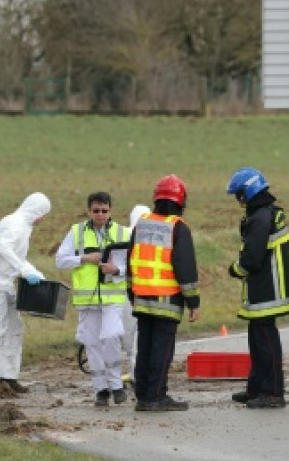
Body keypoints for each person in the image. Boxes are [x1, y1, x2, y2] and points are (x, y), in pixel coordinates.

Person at [224, 167, 289, 409]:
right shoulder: (266, 213)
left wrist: (235, 269)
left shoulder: (260, 218)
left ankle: (274, 392)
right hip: (266, 288)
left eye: (240, 195)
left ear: (249, 191)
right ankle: (256, 388)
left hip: (268, 291)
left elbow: (252, 258)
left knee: (265, 343)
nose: (238, 200)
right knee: (257, 341)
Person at [128, 175, 200, 412]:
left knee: (145, 350)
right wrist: (193, 301)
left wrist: (132, 293)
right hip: (167, 301)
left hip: (141, 299)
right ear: (181, 200)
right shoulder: (178, 227)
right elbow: (185, 267)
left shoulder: (142, 223)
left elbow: (131, 261)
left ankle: (143, 396)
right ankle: (156, 397)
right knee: (162, 352)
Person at [55, 192, 130, 406]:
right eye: (96, 211)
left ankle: (116, 385)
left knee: (111, 336)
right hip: (87, 300)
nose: (100, 215)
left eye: (104, 211)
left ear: (110, 211)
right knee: (92, 343)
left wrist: (117, 270)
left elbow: (132, 265)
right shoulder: (77, 232)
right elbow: (60, 260)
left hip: (112, 297)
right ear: (89, 211)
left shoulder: (123, 232)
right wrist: (84, 259)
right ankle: (101, 390)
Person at [0, 192, 51, 393]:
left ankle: (9, 375)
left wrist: (34, 272)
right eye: (43, 214)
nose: (43, 219)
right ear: (37, 211)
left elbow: (15, 256)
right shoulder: (14, 223)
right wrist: (24, 270)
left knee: (14, 327)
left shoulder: (24, 226)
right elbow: (4, 248)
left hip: (5, 280)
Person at [120, 204, 151, 387]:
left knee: (126, 336)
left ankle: (128, 375)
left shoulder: (123, 234)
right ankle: (137, 375)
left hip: (124, 292)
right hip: (144, 292)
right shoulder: (152, 237)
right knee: (139, 336)